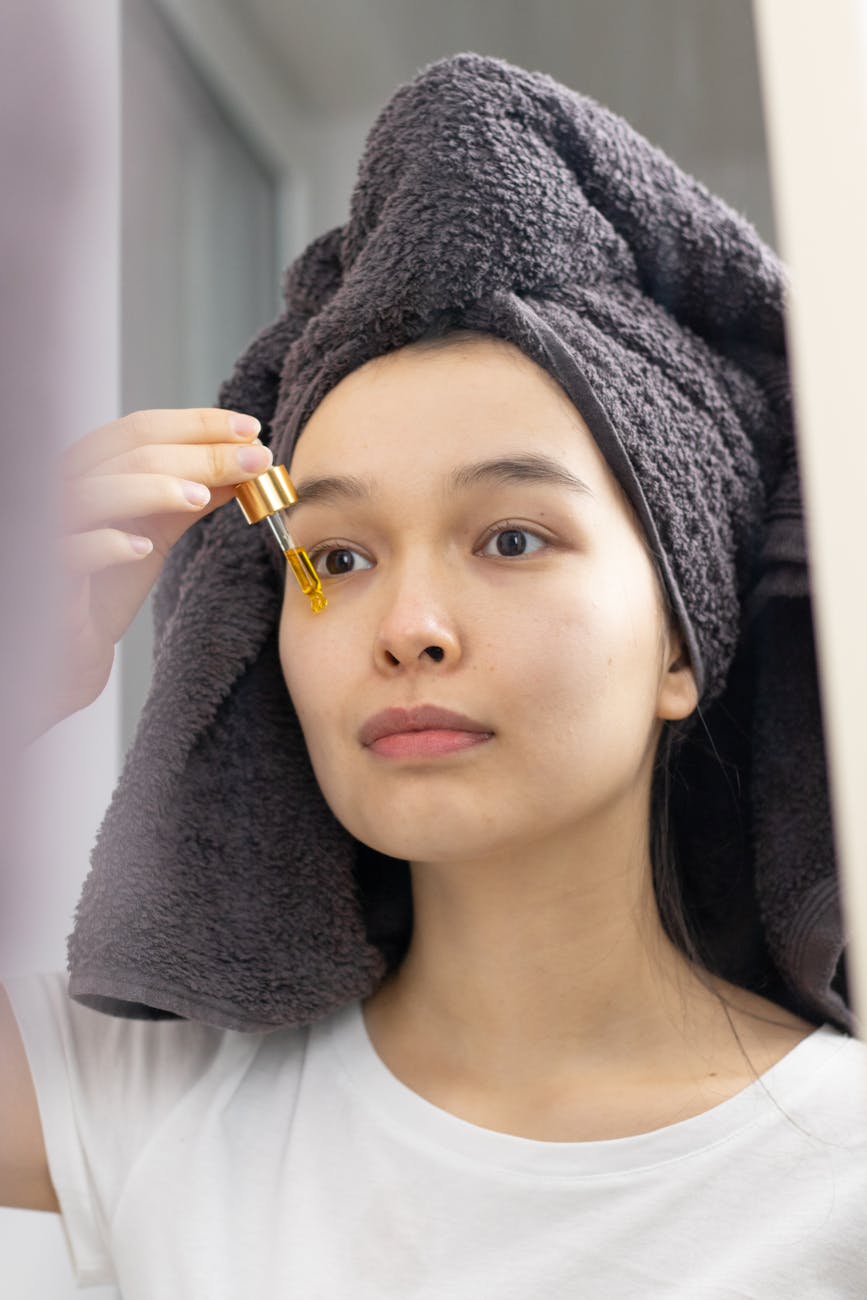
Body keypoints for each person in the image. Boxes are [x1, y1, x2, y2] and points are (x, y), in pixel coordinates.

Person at [3, 51, 867, 1297]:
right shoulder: (155, 1096)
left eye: (511, 538)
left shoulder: (837, 1174)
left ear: (686, 636)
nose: (406, 626)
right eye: (338, 556)